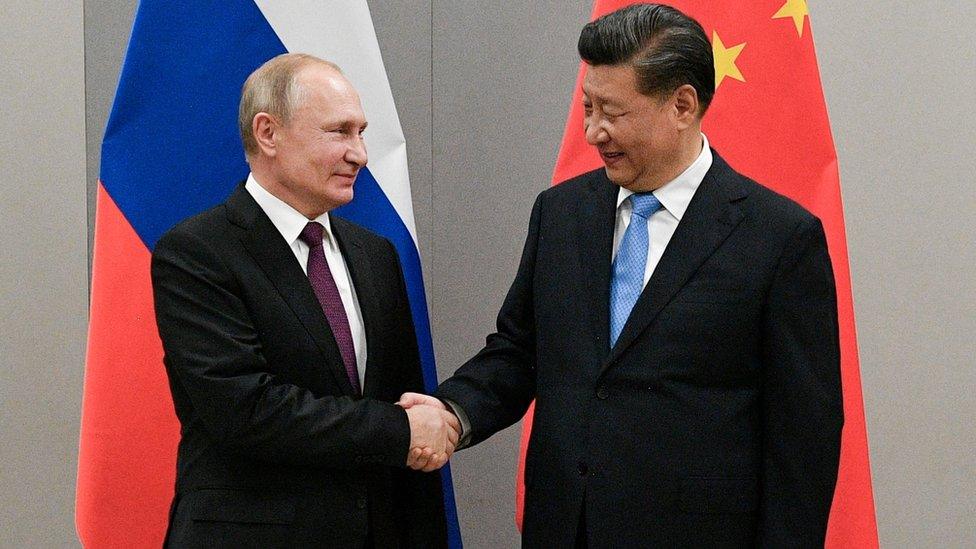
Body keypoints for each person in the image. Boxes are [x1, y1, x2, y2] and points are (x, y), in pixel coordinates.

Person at [401, 4, 843, 547]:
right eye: (587, 107)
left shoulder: (779, 238)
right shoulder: (560, 213)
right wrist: (452, 412)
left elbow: (805, 436)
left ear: (682, 105)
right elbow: (520, 352)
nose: (592, 132)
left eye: (611, 112)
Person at [151, 53, 457, 548]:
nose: (358, 153)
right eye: (339, 132)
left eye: (361, 132)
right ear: (268, 133)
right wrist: (398, 430)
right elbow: (245, 410)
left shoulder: (375, 254)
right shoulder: (197, 253)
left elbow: (403, 403)